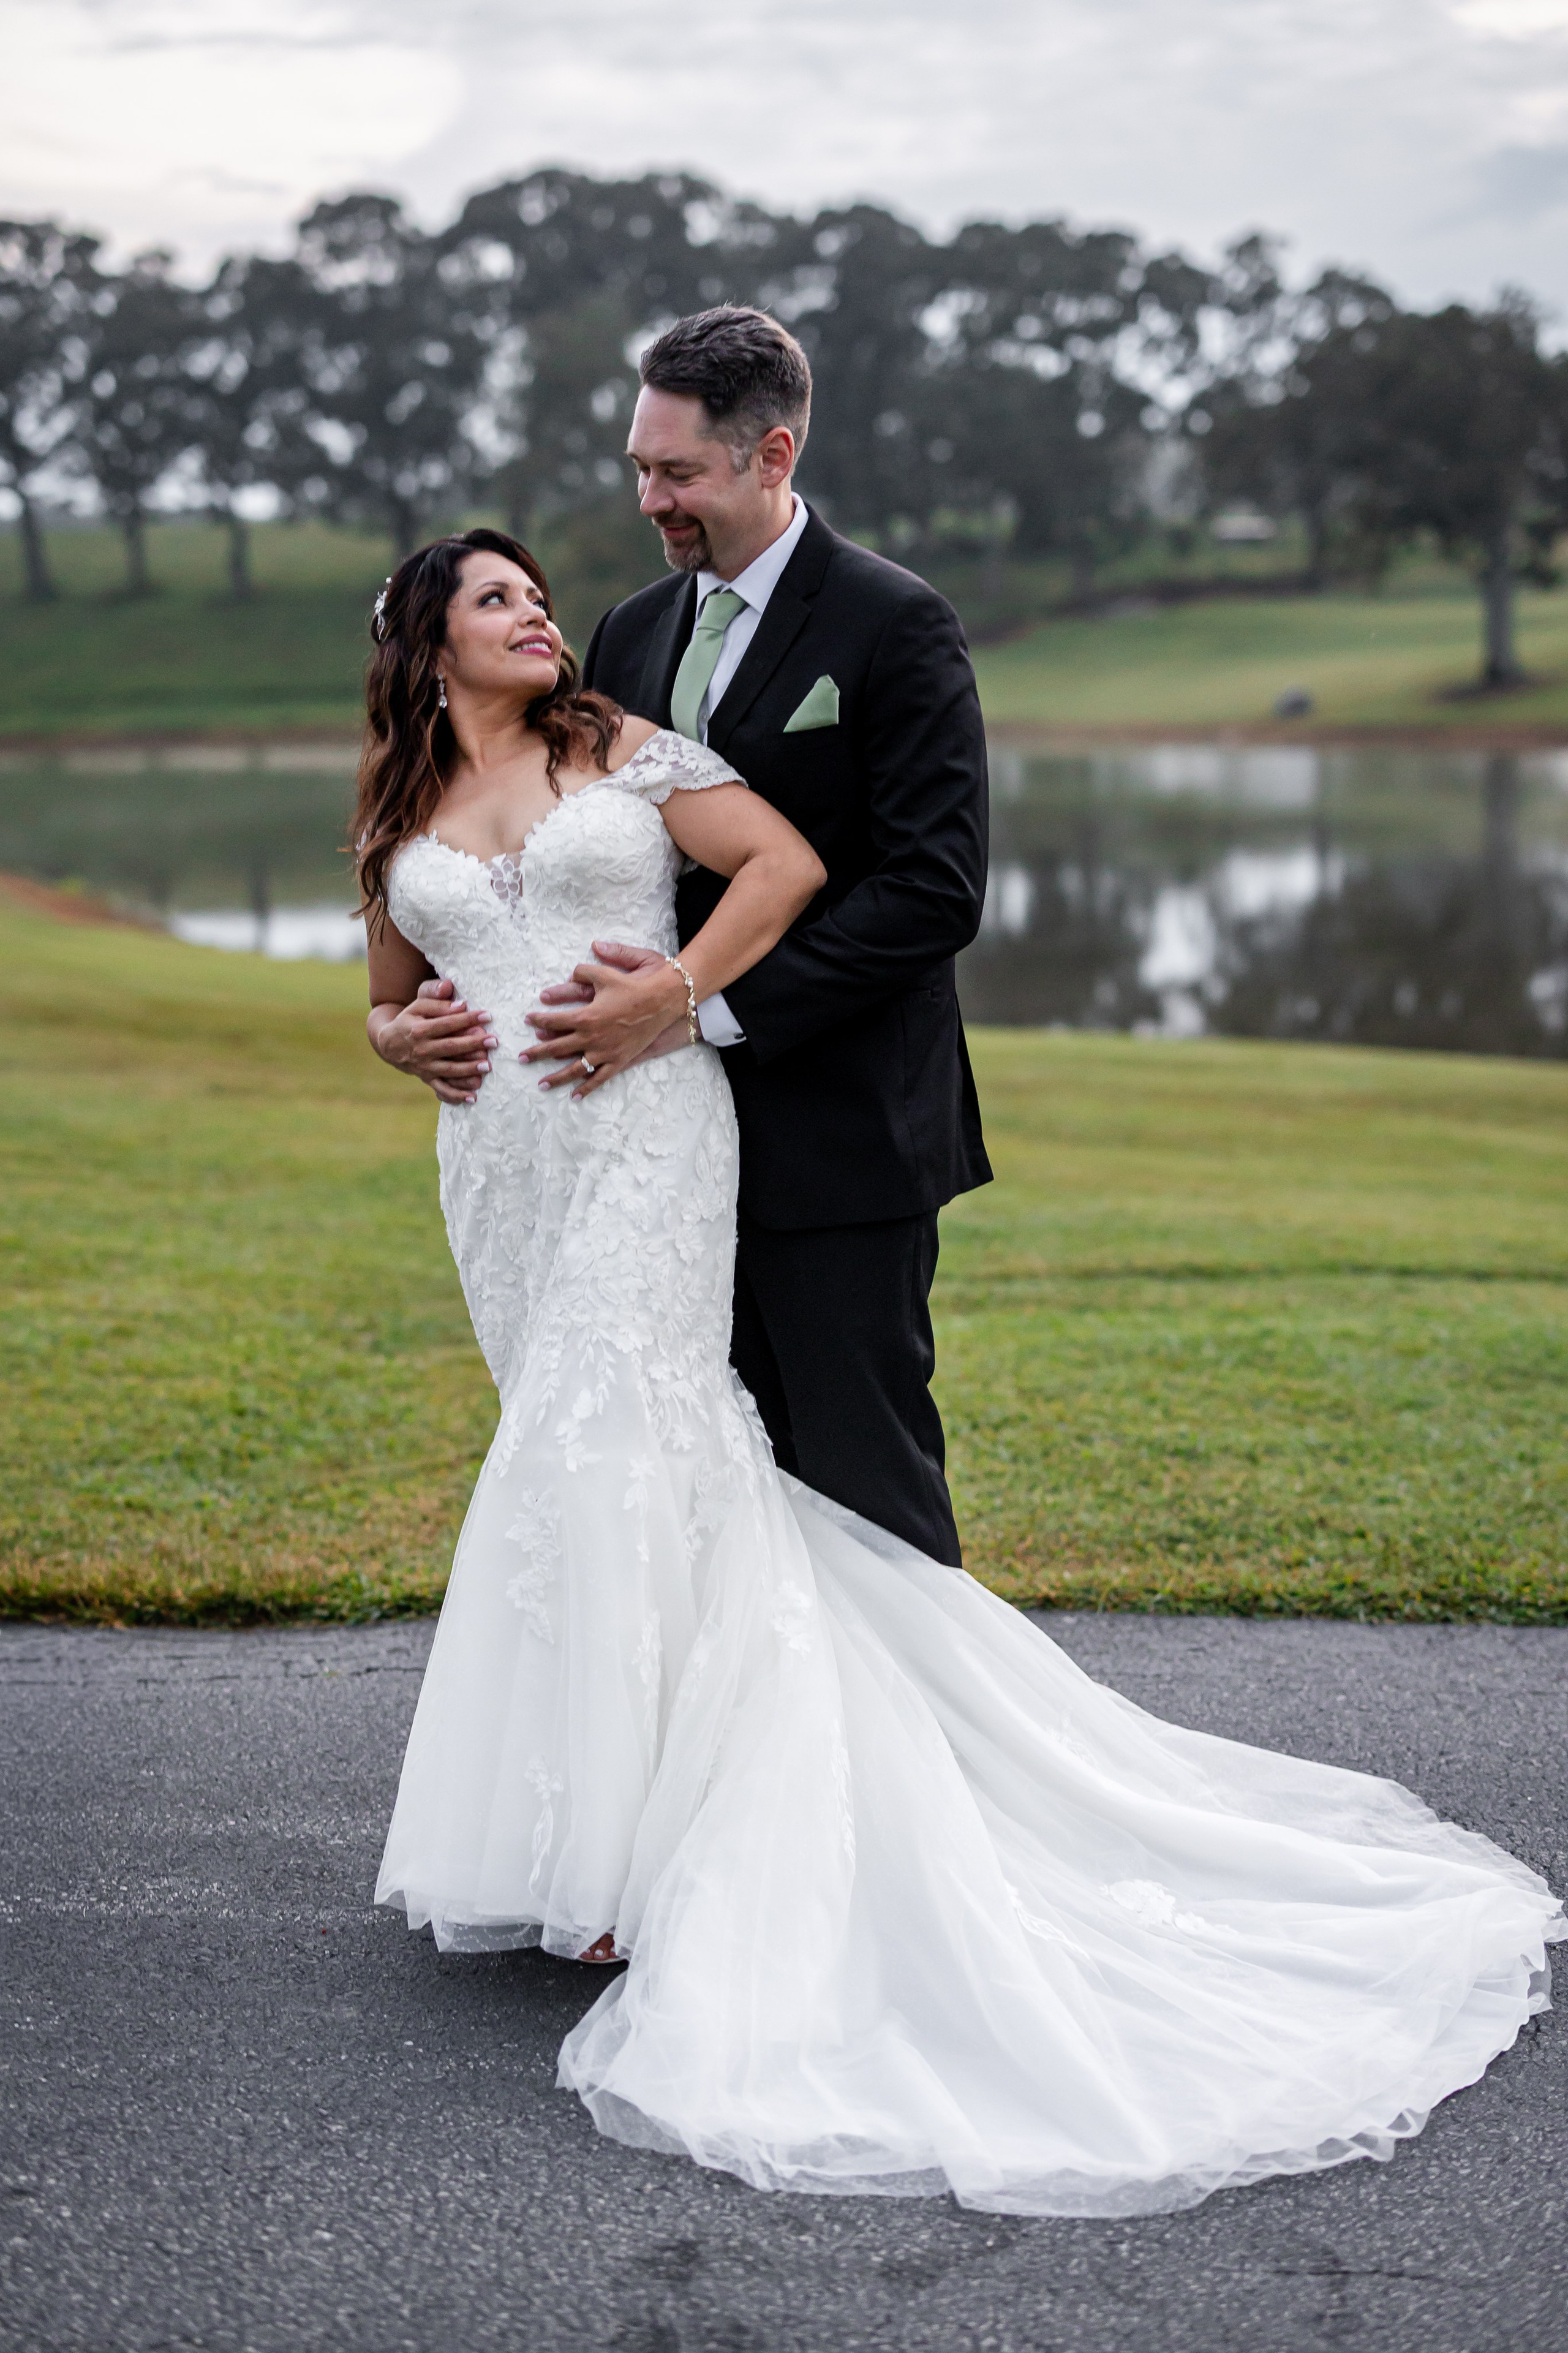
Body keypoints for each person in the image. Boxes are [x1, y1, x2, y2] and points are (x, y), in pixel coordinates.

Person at [363, 512, 1561, 2220]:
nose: (550, 603)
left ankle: (694, 1846)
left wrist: (684, 997)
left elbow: (809, 868)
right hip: (500, 1164)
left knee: (637, 1429)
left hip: (647, 1129)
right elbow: (391, 993)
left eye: (544, 585)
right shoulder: (499, 728)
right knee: (569, 1455)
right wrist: (396, 1033)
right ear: (425, 640)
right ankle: (594, 1825)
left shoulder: (638, 724)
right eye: (499, 597)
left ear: (763, 449)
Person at [391, 306, 990, 1568]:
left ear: (770, 456)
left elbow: (932, 890)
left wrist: (695, 1005)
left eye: (678, 473)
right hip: (638, 1147)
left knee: (860, 1471)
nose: (652, 499)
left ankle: (928, 1763)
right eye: (640, 469)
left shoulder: (894, 622)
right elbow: (546, 847)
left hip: (837, 1127)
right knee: (701, 1483)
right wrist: (424, 1016)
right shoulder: (625, 632)